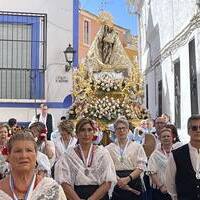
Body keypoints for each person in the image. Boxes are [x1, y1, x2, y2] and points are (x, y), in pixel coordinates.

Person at [55, 117, 116, 200]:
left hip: (98, 196)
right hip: (75, 195)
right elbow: (63, 182)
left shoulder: (102, 153)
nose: (86, 134)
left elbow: (107, 181)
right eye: (82, 130)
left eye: (89, 130)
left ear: (94, 132)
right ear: (76, 133)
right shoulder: (68, 155)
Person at [0, 130, 66, 199]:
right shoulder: (1, 190)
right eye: (18, 151)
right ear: (9, 155)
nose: (24, 156)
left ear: (36, 154)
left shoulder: (53, 189)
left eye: (29, 150)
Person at [106, 117, 147, 200]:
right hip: (116, 183)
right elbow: (108, 167)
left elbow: (141, 166)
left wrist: (128, 179)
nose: (121, 131)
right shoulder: (108, 148)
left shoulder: (137, 146)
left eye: (124, 128)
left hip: (133, 181)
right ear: (115, 131)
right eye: (118, 128)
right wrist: (119, 181)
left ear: (128, 130)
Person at [166, 114, 200, 200]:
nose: (198, 130)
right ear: (188, 131)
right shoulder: (176, 154)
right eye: (194, 128)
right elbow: (170, 183)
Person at [148, 128, 173, 200]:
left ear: (172, 138)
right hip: (160, 190)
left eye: (168, 136)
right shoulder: (155, 154)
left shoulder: (177, 152)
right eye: (164, 136)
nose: (166, 138)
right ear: (160, 139)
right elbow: (152, 172)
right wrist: (161, 186)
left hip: (175, 189)